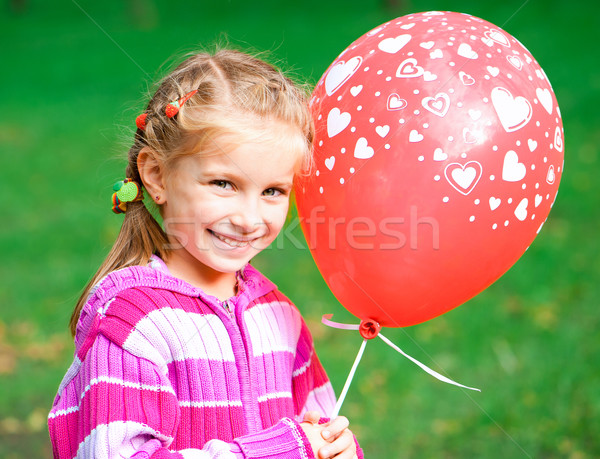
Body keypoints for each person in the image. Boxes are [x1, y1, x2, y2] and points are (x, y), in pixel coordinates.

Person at [48, 48, 363, 459]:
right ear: (157, 175)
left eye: (272, 191)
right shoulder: (133, 322)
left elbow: (316, 429)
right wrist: (281, 450)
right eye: (223, 183)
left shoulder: (279, 315)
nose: (250, 218)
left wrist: (335, 449)